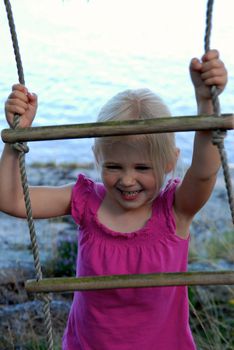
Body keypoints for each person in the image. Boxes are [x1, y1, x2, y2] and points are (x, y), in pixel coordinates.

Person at [0, 49, 227, 349]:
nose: (127, 179)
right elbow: (11, 199)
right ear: (98, 157)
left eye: (143, 168)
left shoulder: (175, 210)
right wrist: (18, 139)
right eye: (114, 166)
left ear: (170, 162)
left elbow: (203, 174)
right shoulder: (84, 201)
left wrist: (206, 103)